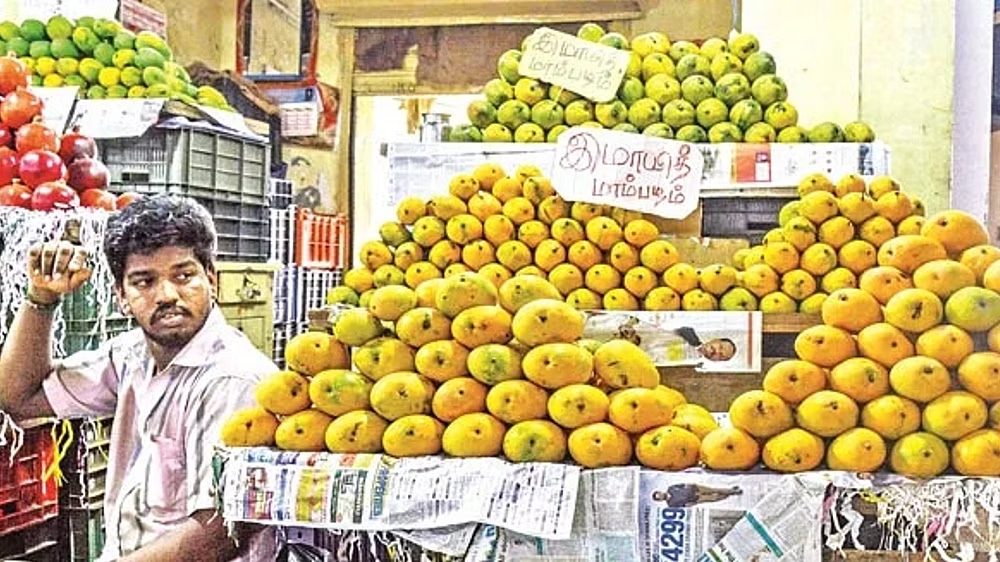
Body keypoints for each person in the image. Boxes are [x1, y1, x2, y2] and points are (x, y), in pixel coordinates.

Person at [0, 194, 278, 561]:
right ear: (122, 297)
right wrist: (42, 298)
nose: (167, 295)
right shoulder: (130, 356)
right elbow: (18, 396)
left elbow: (220, 533)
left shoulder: (233, 379)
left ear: (211, 279)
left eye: (184, 276)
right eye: (144, 281)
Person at [651, 483, 743, 508]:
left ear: (660, 492)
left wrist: (690, 485)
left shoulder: (670, 488)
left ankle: (733, 491)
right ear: (660, 500)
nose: (661, 496)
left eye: (659, 494)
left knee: (714, 490)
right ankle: (730, 493)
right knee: (714, 498)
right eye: (659, 498)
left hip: (695, 488)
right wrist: (692, 503)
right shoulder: (671, 504)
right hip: (694, 499)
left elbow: (682, 485)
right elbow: (683, 506)